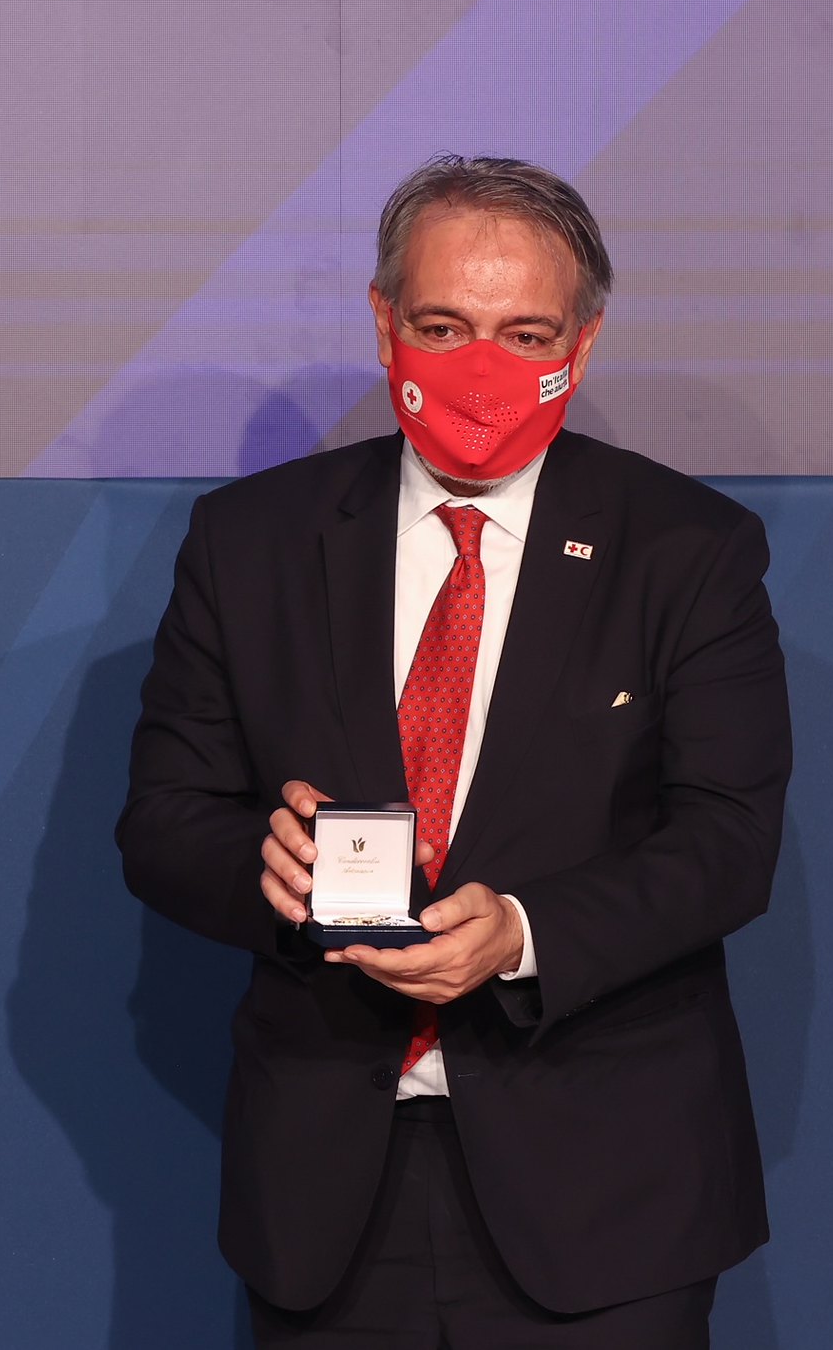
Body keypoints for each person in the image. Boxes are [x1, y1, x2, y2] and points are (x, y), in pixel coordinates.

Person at [116, 156, 790, 1347]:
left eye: (524, 334)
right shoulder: (247, 542)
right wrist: (269, 876)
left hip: (606, 1197)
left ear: (581, 344)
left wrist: (524, 931)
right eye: (442, 327)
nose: (482, 368)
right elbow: (164, 821)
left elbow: (727, 841)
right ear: (383, 324)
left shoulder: (686, 549)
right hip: (325, 1193)